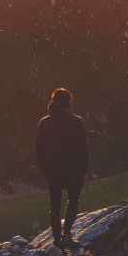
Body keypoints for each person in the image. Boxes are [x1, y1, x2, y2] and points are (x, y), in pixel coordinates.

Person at [35, 86, 90, 246]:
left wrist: (44, 167)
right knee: (72, 201)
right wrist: (84, 169)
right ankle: (67, 235)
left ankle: (57, 239)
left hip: (52, 171)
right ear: (68, 103)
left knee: (55, 204)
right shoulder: (76, 121)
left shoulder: (44, 122)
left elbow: (39, 148)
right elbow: (82, 147)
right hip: (73, 170)